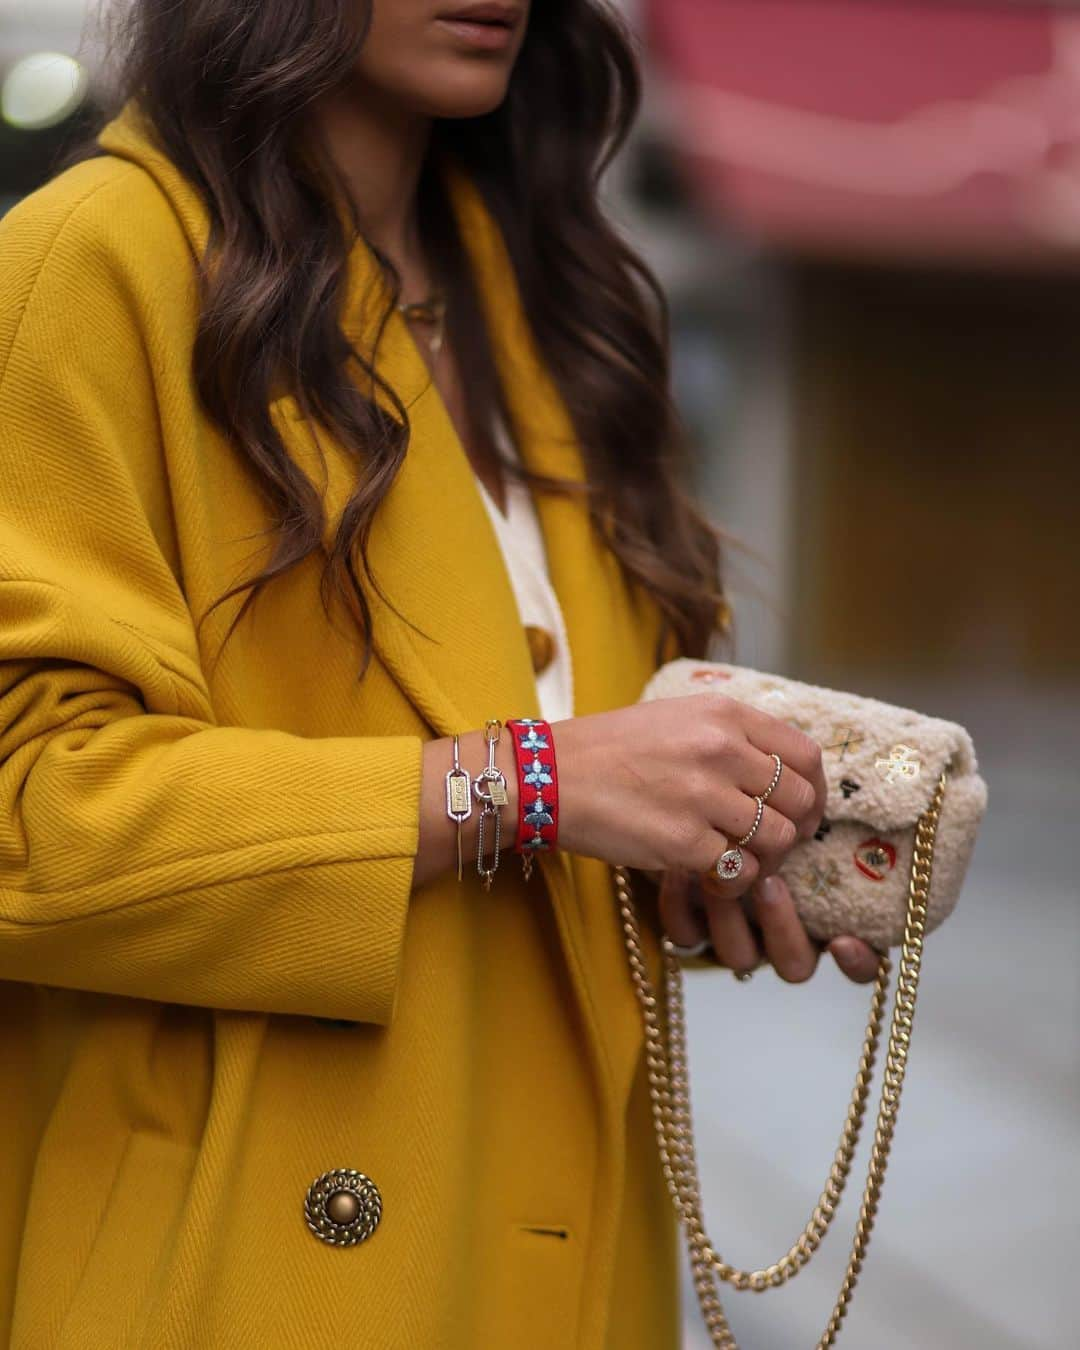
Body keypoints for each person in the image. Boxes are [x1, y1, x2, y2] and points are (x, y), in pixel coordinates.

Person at [0, 2, 879, 1345]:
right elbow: (31, 816)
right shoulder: (93, 259)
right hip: (247, 1269)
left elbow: (574, 800)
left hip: (553, 1256)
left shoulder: (547, 300)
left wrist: (711, 855)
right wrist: (526, 781)